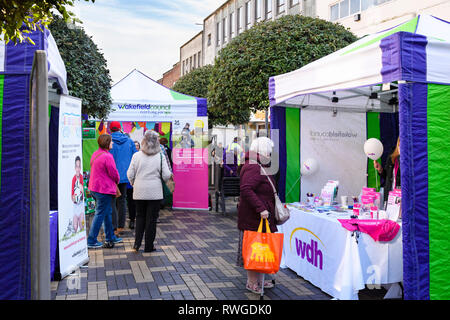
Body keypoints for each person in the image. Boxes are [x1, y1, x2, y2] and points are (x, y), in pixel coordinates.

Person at [236, 136, 277, 294]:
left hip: (257, 216)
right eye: (269, 149)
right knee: (255, 249)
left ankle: (260, 280)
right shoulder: (254, 165)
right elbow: (246, 188)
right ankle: (252, 282)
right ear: (263, 150)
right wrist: (261, 208)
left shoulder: (257, 163)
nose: (271, 153)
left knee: (261, 249)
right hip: (255, 217)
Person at [127, 130, 172, 253]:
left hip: (139, 191)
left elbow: (130, 174)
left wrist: (133, 182)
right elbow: (167, 175)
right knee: (151, 220)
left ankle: (136, 244)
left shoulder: (136, 156)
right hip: (154, 192)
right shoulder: (160, 156)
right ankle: (148, 246)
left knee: (139, 217)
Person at [87, 134, 123, 249]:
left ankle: (110, 237)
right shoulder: (107, 156)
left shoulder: (95, 153)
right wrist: (117, 180)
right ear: (107, 143)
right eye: (111, 141)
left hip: (94, 188)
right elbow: (114, 173)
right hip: (103, 189)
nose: (112, 143)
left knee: (107, 213)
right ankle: (91, 240)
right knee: (100, 214)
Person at [108, 121, 137, 236]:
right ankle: (120, 226)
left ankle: (114, 227)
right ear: (120, 129)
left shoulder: (108, 141)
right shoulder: (129, 141)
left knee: (112, 201)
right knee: (122, 200)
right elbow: (135, 157)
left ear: (110, 130)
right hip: (125, 176)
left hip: (110, 176)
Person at [374, 137, 401, 203]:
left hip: (401, 197)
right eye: (400, 143)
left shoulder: (408, 159)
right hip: (390, 196)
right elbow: (386, 176)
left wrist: (401, 156)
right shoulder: (392, 156)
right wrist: (380, 170)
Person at [126, 141, 141, 229]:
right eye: (134, 146)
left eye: (137, 146)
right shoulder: (129, 155)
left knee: (132, 203)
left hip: (133, 182)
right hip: (127, 181)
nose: (135, 147)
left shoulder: (138, 156)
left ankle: (132, 220)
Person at [71, 156, 85, 234]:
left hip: (81, 206)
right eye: (76, 166)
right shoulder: (73, 178)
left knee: (82, 226)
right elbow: (72, 195)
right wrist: (74, 197)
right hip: (75, 206)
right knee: (75, 227)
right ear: (74, 168)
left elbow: (84, 192)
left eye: (79, 166)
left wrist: (81, 187)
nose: (78, 169)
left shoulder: (82, 178)